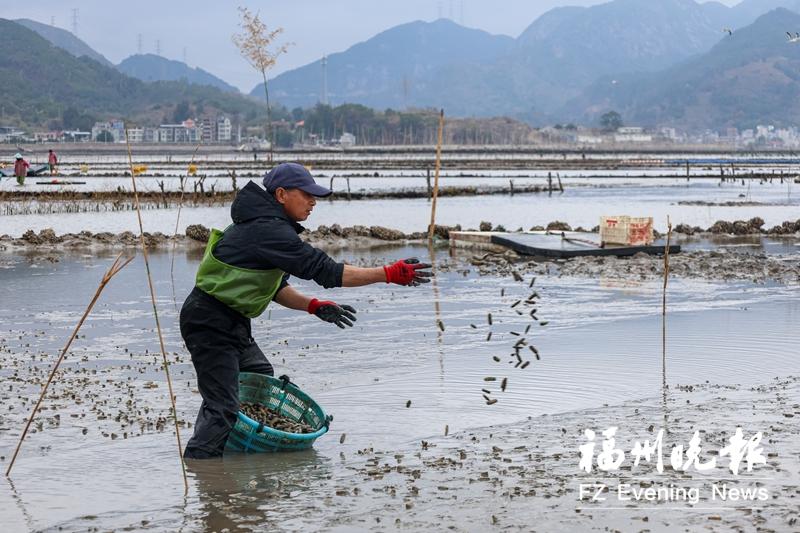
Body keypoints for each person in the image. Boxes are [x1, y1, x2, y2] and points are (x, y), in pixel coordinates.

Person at [179, 162, 432, 459]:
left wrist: (312, 306)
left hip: (229, 318)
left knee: (258, 376)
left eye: (315, 196)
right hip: (209, 321)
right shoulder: (268, 231)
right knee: (222, 405)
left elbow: (272, 287)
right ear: (282, 194)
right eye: (307, 194)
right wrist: (387, 273)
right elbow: (326, 271)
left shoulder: (264, 226)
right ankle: (200, 470)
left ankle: (231, 451)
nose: (314, 202)